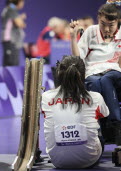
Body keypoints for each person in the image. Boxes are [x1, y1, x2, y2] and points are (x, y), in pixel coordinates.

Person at [41, 55, 109, 169]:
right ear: (83, 75)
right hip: (89, 159)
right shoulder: (95, 97)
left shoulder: (46, 97)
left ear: (59, 74)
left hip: (57, 160)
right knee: (99, 123)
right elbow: (105, 116)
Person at [70, 3, 121, 144]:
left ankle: (116, 124)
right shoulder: (91, 32)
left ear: (118, 22)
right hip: (92, 72)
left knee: (106, 80)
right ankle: (100, 126)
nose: (106, 29)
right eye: (103, 24)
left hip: (114, 71)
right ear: (98, 18)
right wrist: (73, 37)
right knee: (95, 82)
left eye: (111, 25)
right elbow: (78, 58)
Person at [1, 0, 26, 66]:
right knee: (12, 64)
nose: (23, 3)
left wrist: (19, 17)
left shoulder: (8, 9)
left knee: (9, 62)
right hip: (11, 40)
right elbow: (20, 24)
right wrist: (21, 20)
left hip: (10, 40)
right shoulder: (12, 9)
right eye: (22, 1)